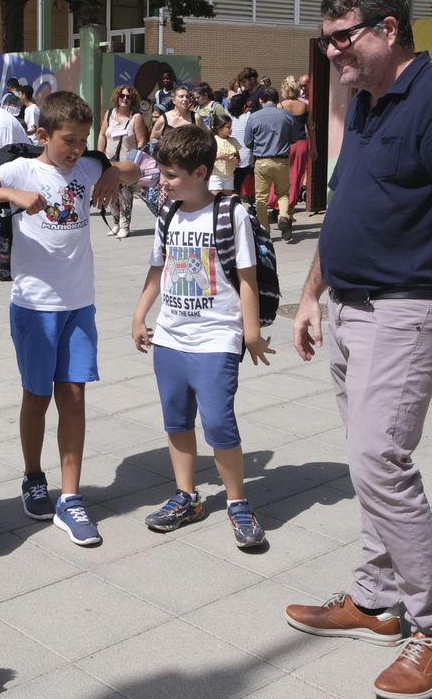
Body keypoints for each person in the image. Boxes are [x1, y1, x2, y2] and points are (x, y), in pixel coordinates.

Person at [287, 0, 432, 699]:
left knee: (380, 460)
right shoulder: (371, 103)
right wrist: (312, 294)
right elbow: (347, 206)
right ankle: (377, 597)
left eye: (344, 36)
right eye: (327, 40)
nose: (333, 51)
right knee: (363, 460)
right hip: (348, 306)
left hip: (404, 312)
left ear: (388, 29)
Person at [0, 92, 137, 548]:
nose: (75, 150)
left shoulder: (89, 166)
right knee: (37, 397)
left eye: (82, 141)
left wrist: (112, 169)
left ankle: (71, 498)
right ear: (43, 135)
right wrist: (9, 193)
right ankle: (34, 476)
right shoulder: (20, 168)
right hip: (34, 306)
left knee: (73, 396)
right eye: (67, 141)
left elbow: (138, 168)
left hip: (79, 304)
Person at [129, 125, 272, 550]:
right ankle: (186, 496)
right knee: (176, 420)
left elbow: (247, 277)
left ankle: (237, 502)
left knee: (219, 423)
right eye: (161, 174)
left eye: (171, 175)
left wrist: (252, 334)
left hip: (216, 338)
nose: (163, 182)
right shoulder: (167, 214)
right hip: (171, 336)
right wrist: (140, 315)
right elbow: (159, 269)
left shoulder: (233, 214)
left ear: (201, 172)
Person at [244, 89, 298, 239]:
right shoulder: (287, 115)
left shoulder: (254, 117)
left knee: (261, 198)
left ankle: (264, 231)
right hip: (282, 160)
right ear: (276, 99)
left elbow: (247, 142)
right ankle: (283, 216)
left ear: (262, 100)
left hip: (262, 160)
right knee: (282, 193)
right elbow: (294, 138)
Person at [98, 85, 148, 239]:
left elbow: (141, 141)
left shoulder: (136, 117)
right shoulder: (109, 114)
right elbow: (101, 135)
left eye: (129, 96)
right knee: (111, 192)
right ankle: (115, 223)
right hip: (109, 161)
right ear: (117, 97)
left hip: (126, 163)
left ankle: (125, 225)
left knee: (125, 195)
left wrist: (135, 160)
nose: (125, 98)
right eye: (122, 96)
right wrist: (100, 155)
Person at [278, 77, 311, 217]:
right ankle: (290, 208)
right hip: (301, 143)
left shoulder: (280, 106)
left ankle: (281, 208)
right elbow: (311, 127)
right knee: (296, 177)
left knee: (281, 176)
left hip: (284, 145)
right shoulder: (304, 106)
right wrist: (313, 148)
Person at [209, 116, 240, 195]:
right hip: (215, 175)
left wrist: (234, 160)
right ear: (219, 127)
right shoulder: (212, 140)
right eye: (227, 127)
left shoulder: (233, 141)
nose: (230, 129)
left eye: (231, 127)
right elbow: (207, 158)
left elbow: (238, 159)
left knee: (226, 200)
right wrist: (219, 156)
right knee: (215, 198)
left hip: (229, 175)